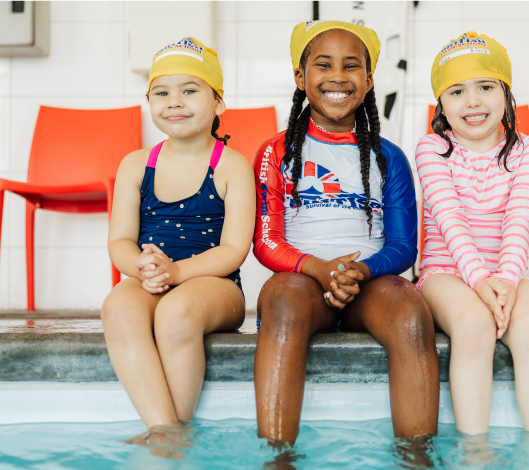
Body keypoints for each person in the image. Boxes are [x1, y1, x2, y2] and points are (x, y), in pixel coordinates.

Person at [252, 20, 439, 445]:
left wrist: (359, 272)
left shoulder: (389, 157)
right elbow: (264, 241)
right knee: (281, 304)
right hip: (300, 280)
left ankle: (417, 457)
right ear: (301, 77)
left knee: (412, 314)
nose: (338, 76)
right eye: (323, 65)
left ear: (369, 80)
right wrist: (319, 269)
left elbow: (403, 246)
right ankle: (278, 456)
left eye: (352, 66)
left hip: (370, 282)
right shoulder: (275, 152)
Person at [101, 37, 255, 456]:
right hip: (154, 274)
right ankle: (166, 430)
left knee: (176, 311)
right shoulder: (136, 164)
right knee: (118, 306)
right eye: (162, 92)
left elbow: (234, 249)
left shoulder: (231, 166)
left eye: (190, 90)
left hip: (213, 283)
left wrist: (179, 273)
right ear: (149, 101)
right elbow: (119, 241)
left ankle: (175, 425)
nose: (175, 102)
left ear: (218, 103)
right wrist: (142, 267)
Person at [415, 32, 529, 436]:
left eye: (486, 87)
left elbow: (519, 221)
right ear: (441, 104)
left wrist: (507, 283)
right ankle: (475, 450)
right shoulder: (432, 148)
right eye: (456, 91)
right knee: (475, 325)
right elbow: (449, 220)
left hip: (505, 273)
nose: (473, 101)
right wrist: (479, 280)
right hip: (445, 272)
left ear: (507, 95)